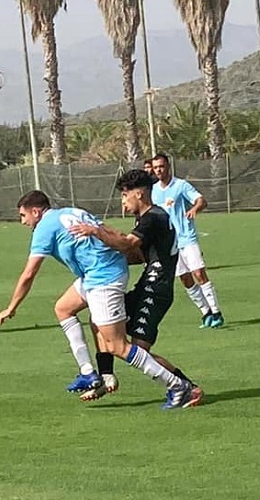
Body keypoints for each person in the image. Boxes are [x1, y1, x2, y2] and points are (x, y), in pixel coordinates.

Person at [0, 190, 195, 409]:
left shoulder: (44, 227)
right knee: (63, 308)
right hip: (97, 273)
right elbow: (106, 230)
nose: (23, 222)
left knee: (118, 346)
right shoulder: (72, 211)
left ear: (36, 211)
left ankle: (177, 385)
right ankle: (90, 374)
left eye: (23, 216)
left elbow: (29, 273)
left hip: (103, 278)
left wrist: (11, 307)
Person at [69, 169, 203, 407]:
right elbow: (138, 254)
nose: (123, 201)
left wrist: (96, 232)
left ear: (139, 194)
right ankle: (106, 377)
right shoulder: (148, 218)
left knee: (139, 352)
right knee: (100, 321)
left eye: (125, 195)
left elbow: (128, 244)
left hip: (156, 292)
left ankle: (186, 387)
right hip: (147, 286)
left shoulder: (153, 217)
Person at [151, 153, 224, 329]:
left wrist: (194, 209)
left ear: (168, 166)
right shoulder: (153, 191)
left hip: (187, 237)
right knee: (184, 278)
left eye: (161, 166)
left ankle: (216, 312)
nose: (159, 170)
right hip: (169, 243)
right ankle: (205, 312)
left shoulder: (181, 185)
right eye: (156, 167)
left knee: (198, 273)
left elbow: (201, 200)